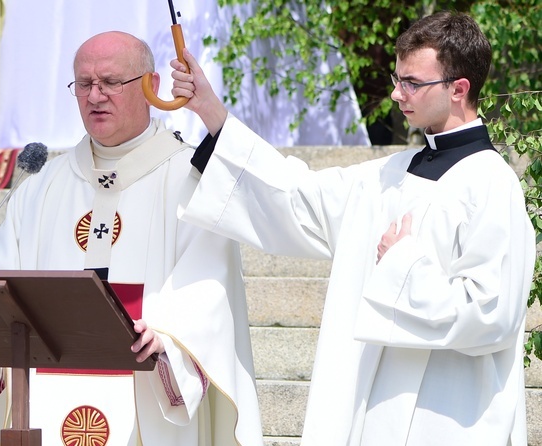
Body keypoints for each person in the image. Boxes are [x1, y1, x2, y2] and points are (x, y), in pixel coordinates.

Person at [171, 11, 536, 445]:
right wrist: (211, 111)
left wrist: (403, 263)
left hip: (447, 417)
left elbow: (492, 313)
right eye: (397, 78)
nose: (398, 93)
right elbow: (297, 195)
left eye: (413, 83)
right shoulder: (388, 175)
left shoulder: (493, 184)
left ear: (459, 89)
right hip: (370, 411)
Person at [0, 31, 263, 446]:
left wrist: (168, 336)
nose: (95, 96)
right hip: (46, 395)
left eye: (110, 82)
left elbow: (210, 289)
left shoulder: (193, 181)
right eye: (84, 84)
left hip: (146, 396)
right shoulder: (43, 186)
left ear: (152, 86)